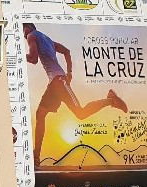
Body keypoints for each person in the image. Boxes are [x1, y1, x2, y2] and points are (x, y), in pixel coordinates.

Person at [24, 22, 127, 168]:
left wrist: (15, 56)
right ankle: (35, 157)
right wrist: (70, 72)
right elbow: (66, 51)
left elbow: (33, 59)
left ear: (29, 27)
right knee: (40, 114)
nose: (23, 34)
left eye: (23, 29)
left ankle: (111, 100)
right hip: (55, 82)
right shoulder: (48, 40)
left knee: (81, 113)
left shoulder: (31, 35)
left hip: (58, 81)